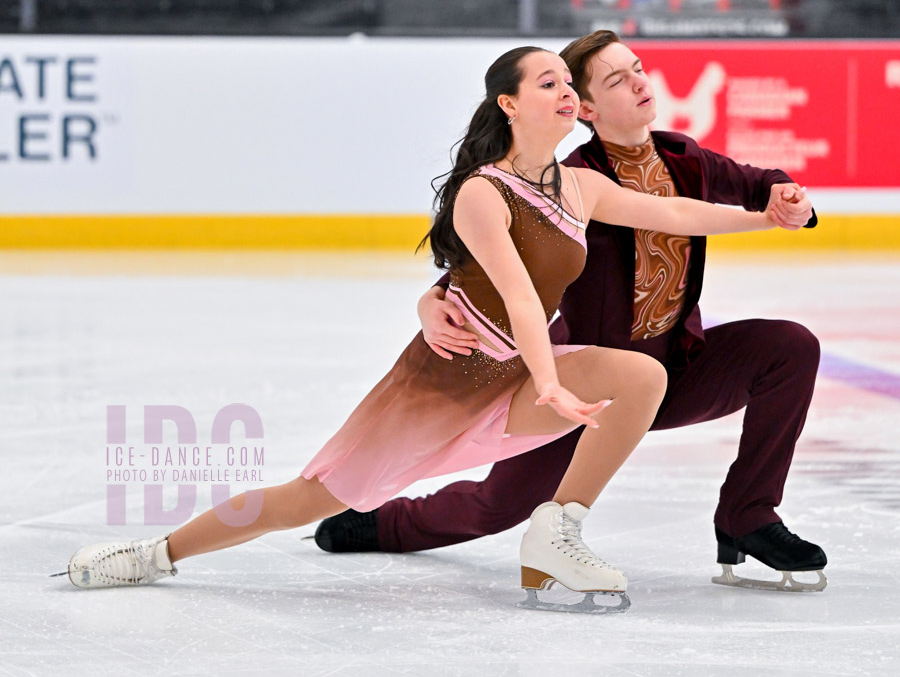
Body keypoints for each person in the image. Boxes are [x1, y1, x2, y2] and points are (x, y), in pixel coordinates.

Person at [62, 47, 807, 609]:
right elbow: (516, 297)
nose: (565, 93)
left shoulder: (581, 186)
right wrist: (549, 381)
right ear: (509, 105)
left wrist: (762, 217)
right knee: (309, 496)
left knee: (639, 375)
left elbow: (677, 214)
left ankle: (559, 528)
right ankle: (158, 552)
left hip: (516, 373)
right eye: (548, 82)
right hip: (443, 382)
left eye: (568, 85)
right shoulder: (485, 193)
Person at [314, 31, 827, 593]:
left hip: (676, 369)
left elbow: (758, 184)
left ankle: (748, 515)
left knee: (790, 347)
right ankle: (385, 523)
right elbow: (498, 265)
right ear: (584, 108)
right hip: (588, 382)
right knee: (497, 506)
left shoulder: (685, 156)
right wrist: (430, 299)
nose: (639, 82)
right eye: (616, 80)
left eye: (637, 68)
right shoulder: (569, 182)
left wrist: (786, 196)